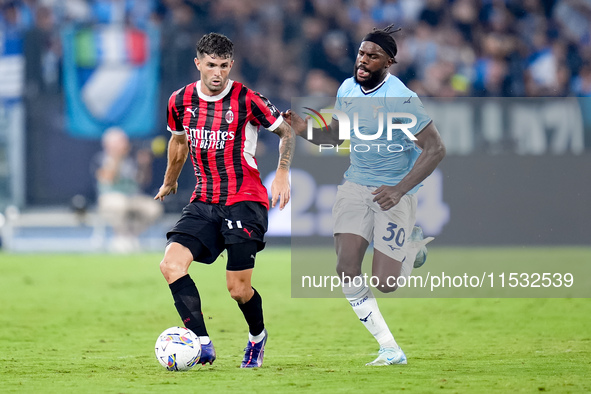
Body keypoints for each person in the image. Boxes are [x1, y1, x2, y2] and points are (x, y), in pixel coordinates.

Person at [283, 24, 446, 366]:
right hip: (355, 186)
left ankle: (410, 248)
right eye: (361, 53)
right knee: (345, 267)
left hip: (394, 192)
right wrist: (303, 129)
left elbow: (435, 149)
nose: (363, 61)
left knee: (385, 283)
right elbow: (335, 137)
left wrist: (400, 189)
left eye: (373, 57)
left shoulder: (401, 99)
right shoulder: (347, 89)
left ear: (389, 63)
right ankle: (389, 348)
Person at [154, 32, 295, 368]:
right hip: (204, 200)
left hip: (244, 200)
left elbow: (285, 132)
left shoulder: (248, 100)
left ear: (231, 65)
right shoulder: (180, 100)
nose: (217, 73)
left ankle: (257, 338)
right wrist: (170, 180)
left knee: (238, 289)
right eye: (210, 65)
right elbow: (178, 142)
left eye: (223, 66)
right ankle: (202, 343)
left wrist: (282, 173)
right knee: (171, 265)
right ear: (198, 63)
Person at [95, 126, 163, 253]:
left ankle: (133, 236)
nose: (125, 144)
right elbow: (109, 179)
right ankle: (120, 237)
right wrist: (116, 157)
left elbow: (143, 182)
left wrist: (144, 165)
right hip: (109, 197)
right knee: (121, 204)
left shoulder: (132, 159)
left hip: (132, 196)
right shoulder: (101, 159)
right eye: (120, 142)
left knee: (153, 207)